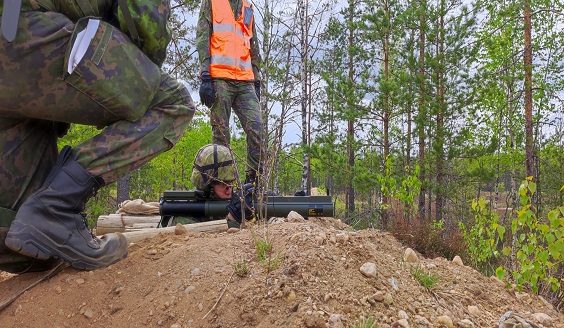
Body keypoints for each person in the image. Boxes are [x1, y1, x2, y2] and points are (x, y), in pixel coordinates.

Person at [0, 0, 196, 273]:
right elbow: (145, 19)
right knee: (172, 103)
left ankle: (34, 227)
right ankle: (56, 207)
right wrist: (135, 69)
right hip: (25, 33)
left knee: (22, 246)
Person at [195, 0, 264, 187]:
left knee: (257, 129)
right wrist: (205, 75)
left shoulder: (247, 7)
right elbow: (202, 36)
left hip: (245, 80)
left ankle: (253, 186)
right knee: (221, 136)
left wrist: (256, 79)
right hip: (219, 78)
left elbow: (253, 43)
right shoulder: (212, 2)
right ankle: (222, 186)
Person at [189, 144, 255, 228]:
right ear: (208, 188)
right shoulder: (184, 213)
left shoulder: (234, 202)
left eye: (231, 183)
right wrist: (232, 219)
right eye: (222, 184)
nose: (229, 191)